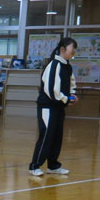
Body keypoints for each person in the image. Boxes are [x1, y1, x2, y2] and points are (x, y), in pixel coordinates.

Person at [28, 37, 77, 177]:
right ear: (62, 49)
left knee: (57, 136)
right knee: (46, 135)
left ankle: (53, 165)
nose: (73, 51)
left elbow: (72, 83)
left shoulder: (67, 66)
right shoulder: (54, 65)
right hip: (47, 107)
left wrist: (72, 95)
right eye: (71, 48)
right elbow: (51, 90)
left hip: (58, 107)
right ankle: (34, 166)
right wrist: (66, 99)